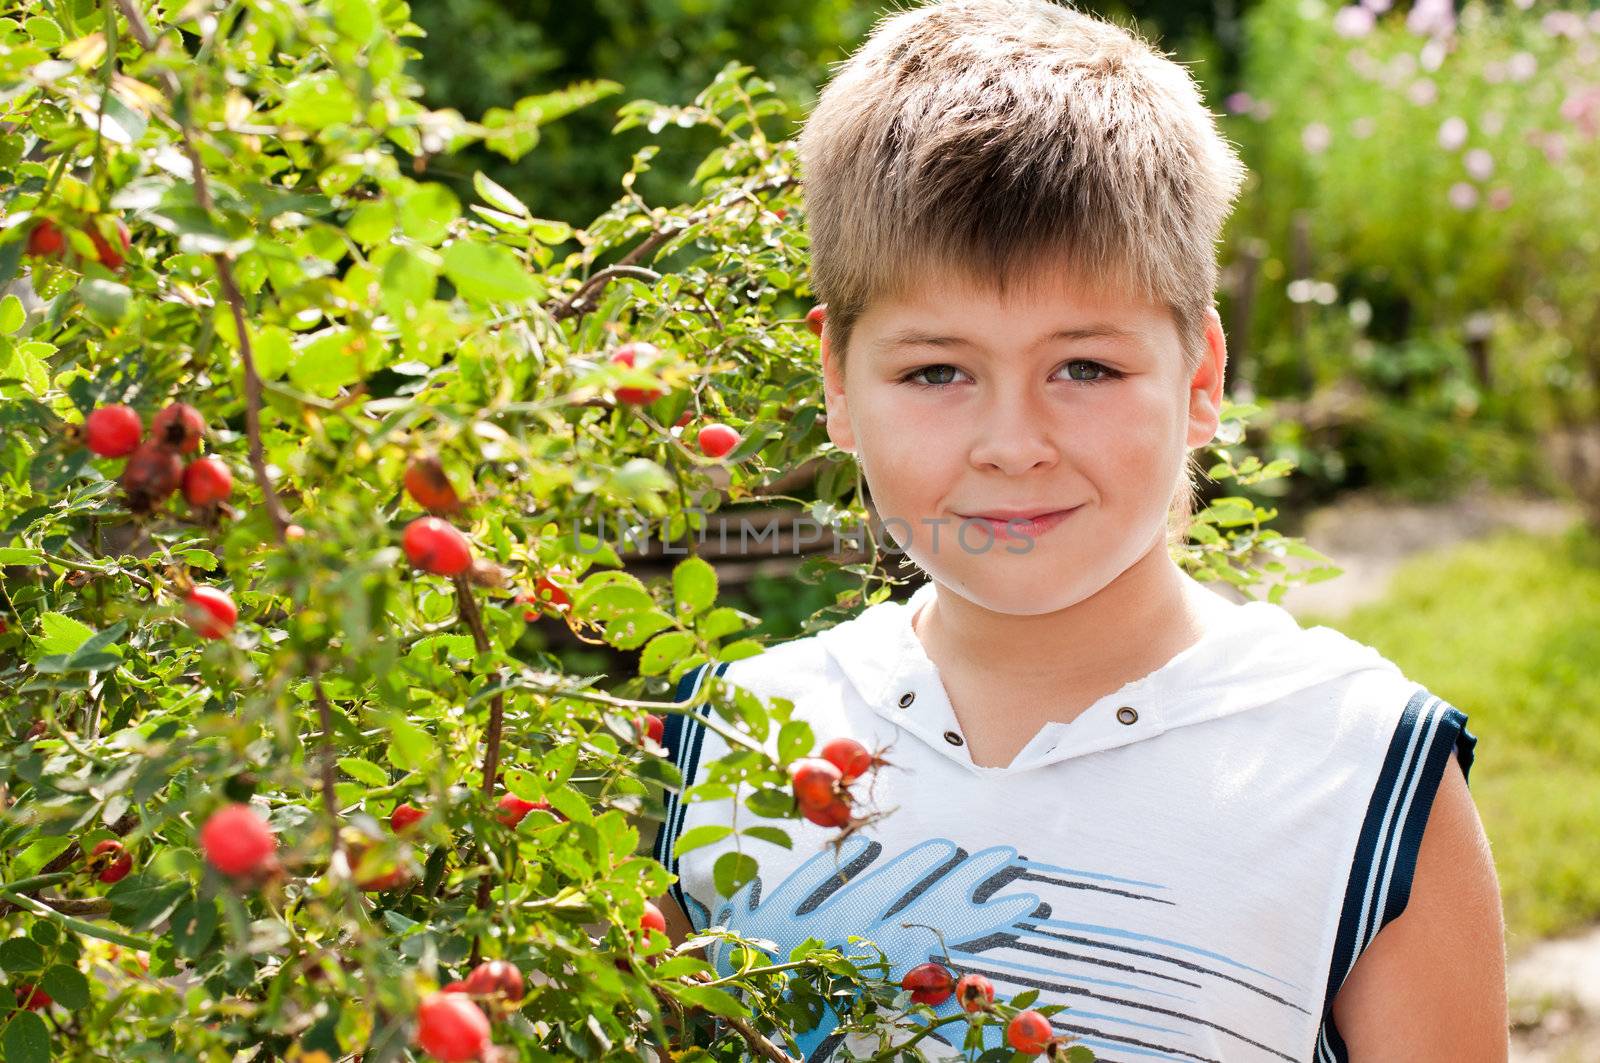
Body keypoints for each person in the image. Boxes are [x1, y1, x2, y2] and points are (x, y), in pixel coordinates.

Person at [650, 1, 1508, 1059]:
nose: (1013, 444)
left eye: (1085, 367)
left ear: (1199, 377)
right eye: (936, 371)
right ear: (837, 380)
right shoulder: (720, 745)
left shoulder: (1362, 765)